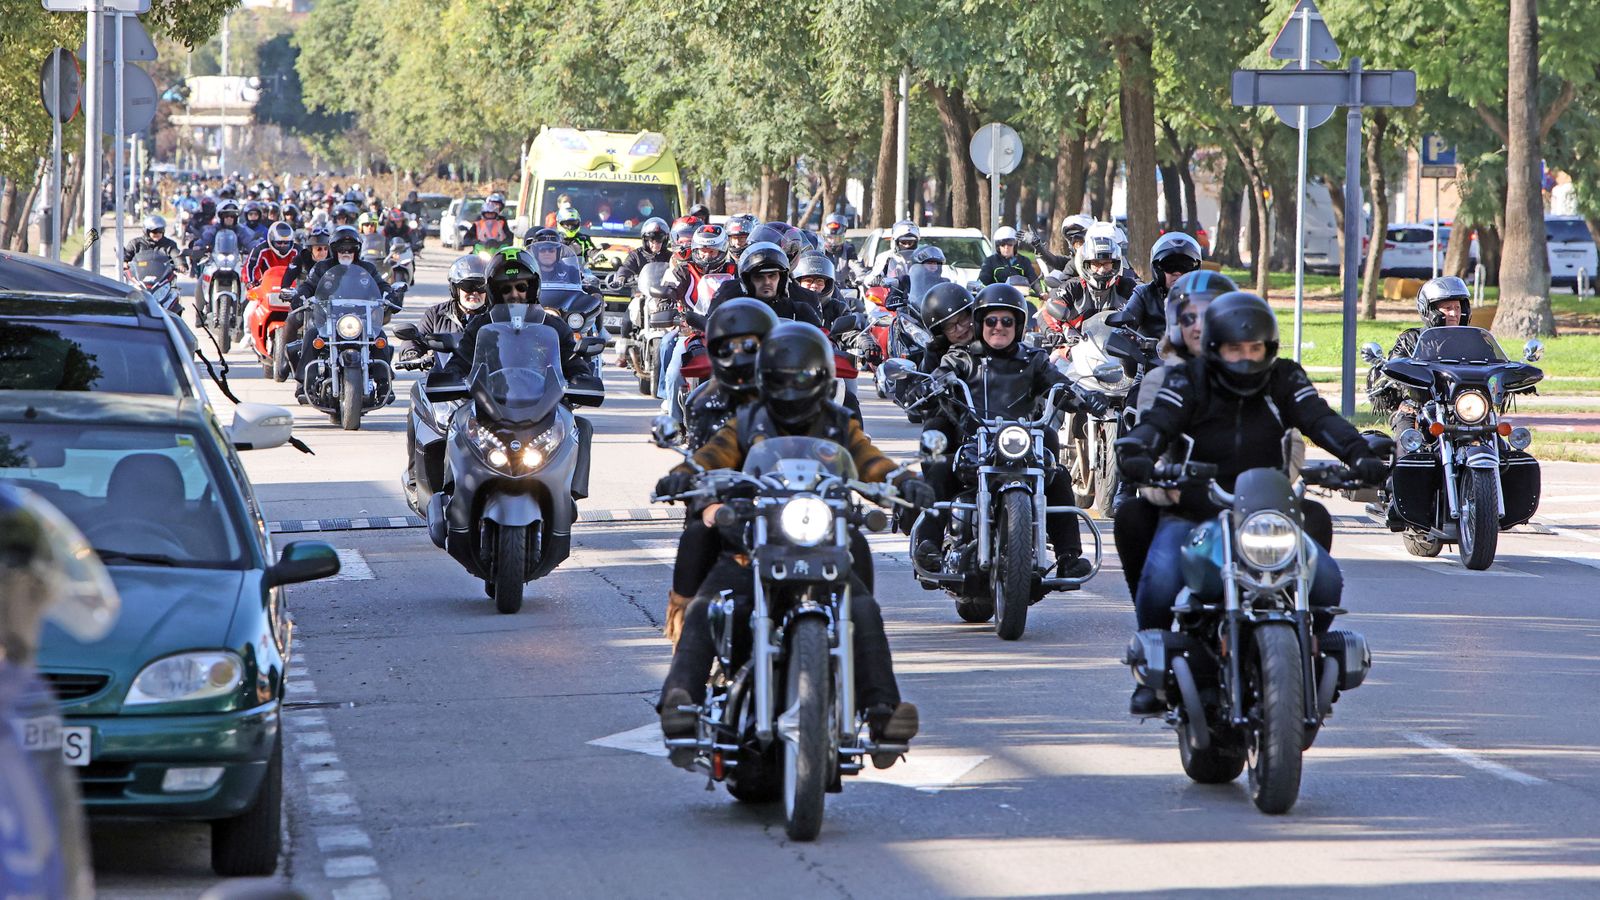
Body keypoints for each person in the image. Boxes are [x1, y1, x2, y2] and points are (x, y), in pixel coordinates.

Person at [655, 321, 929, 766]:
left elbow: (870, 461)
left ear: (822, 376)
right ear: (766, 376)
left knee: (862, 608)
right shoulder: (745, 423)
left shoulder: (839, 424)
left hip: (822, 544)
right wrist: (685, 475)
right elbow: (712, 458)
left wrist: (904, 480)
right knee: (710, 605)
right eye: (783, 374)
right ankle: (681, 701)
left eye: (803, 374)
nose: (792, 383)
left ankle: (883, 715)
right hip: (753, 544)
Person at [1115, 292, 1389, 715]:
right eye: (1234, 348)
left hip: (1267, 514)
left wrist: (1359, 454)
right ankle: (1155, 670)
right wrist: (1137, 450)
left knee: (1327, 580)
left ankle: (1305, 654)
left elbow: (1319, 418)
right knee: (1162, 577)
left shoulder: (1285, 378)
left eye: (1254, 348)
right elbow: (1158, 423)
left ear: (1269, 347)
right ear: (1213, 348)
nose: (1245, 358)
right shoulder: (1189, 380)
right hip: (1198, 511)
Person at [918, 283, 1107, 581]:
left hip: (1020, 442)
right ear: (980, 323)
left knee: (1055, 474)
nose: (999, 327)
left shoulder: (1033, 359)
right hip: (975, 443)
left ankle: (1069, 556)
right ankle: (927, 545)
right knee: (940, 468)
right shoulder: (961, 359)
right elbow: (938, 377)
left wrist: (1082, 397)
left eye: (1007, 321)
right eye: (991, 321)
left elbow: (1058, 384)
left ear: (1018, 325)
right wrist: (929, 386)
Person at [662, 298, 780, 645]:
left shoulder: (791, 393)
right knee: (698, 535)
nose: (740, 354)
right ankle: (685, 653)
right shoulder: (705, 402)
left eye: (750, 344)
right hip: (731, 507)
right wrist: (708, 503)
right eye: (728, 346)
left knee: (853, 546)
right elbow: (702, 464)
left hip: (789, 503)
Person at [438, 248, 587, 383]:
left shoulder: (554, 326)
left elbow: (572, 361)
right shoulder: (480, 325)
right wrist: (451, 376)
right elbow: (462, 360)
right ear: (494, 292)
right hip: (489, 404)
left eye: (521, 287)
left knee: (567, 414)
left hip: (547, 404)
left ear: (532, 288)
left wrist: (581, 378)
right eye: (506, 289)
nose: (514, 294)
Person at [1367, 275, 1471, 431]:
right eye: (1448, 308)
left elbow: (1493, 364)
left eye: (1457, 308)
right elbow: (1394, 368)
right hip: (1417, 408)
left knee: (1498, 442)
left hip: (1464, 408)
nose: (1454, 313)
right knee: (1407, 440)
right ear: (1430, 310)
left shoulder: (1471, 341)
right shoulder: (1410, 340)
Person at [1111, 232, 1204, 340]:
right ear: (1158, 269)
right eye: (1170, 266)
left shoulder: (1205, 296)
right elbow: (1124, 326)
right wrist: (1123, 334)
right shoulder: (1144, 294)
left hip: (1196, 355)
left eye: (1185, 266)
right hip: (1150, 356)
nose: (1177, 273)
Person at [402, 254, 488, 362]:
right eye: (469, 286)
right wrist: (411, 351)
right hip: (445, 375)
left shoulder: (494, 315)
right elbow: (417, 338)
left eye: (481, 287)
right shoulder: (435, 314)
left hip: (487, 376)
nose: (475, 292)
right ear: (455, 289)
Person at [1063, 223, 1138, 319]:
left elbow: (1143, 300)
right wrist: (1052, 331)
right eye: (1096, 264)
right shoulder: (1073, 286)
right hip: (1079, 333)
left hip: (1116, 333)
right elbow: (1052, 307)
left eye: (1107, 264)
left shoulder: (1127, 286)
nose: (1102, 270)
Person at [187, 198, 254, 267]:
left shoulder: (240, 230)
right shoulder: (214, 229)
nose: (229, 218)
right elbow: (205, 238)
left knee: (245, 276)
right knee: (205, 276)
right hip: (215, 262)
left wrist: (255, 249)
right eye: (226, 215)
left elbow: (250, 241)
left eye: (232, 216)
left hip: (236, 262)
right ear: (221, 216)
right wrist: (198, 246)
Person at [612, 216, 671, 286]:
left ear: (664, 241)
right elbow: (626, 267)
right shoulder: (636, 255)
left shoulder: (671, 257)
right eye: (652, 241)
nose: (655, 245)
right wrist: (621, 277)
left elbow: (678, 270)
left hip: (663, 293)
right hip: (639, 293)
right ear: (646, 240)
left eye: (659, 241)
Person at [1031, 213, 1096, 276]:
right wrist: (1039, 248)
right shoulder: (1073, 264)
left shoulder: (1102, 260)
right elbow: (1056, 261)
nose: (1079, 247)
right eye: (1076, 244)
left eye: (1081, 242)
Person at [245, 221, 299, 287]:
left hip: (291, 287)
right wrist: (251, 282)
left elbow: (308, 270)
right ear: (271, 240)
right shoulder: (260, 249)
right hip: (265, 287)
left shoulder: (297, 251)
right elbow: (250, 266)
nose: (282, 245)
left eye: (286, 243)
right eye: (279, 243)